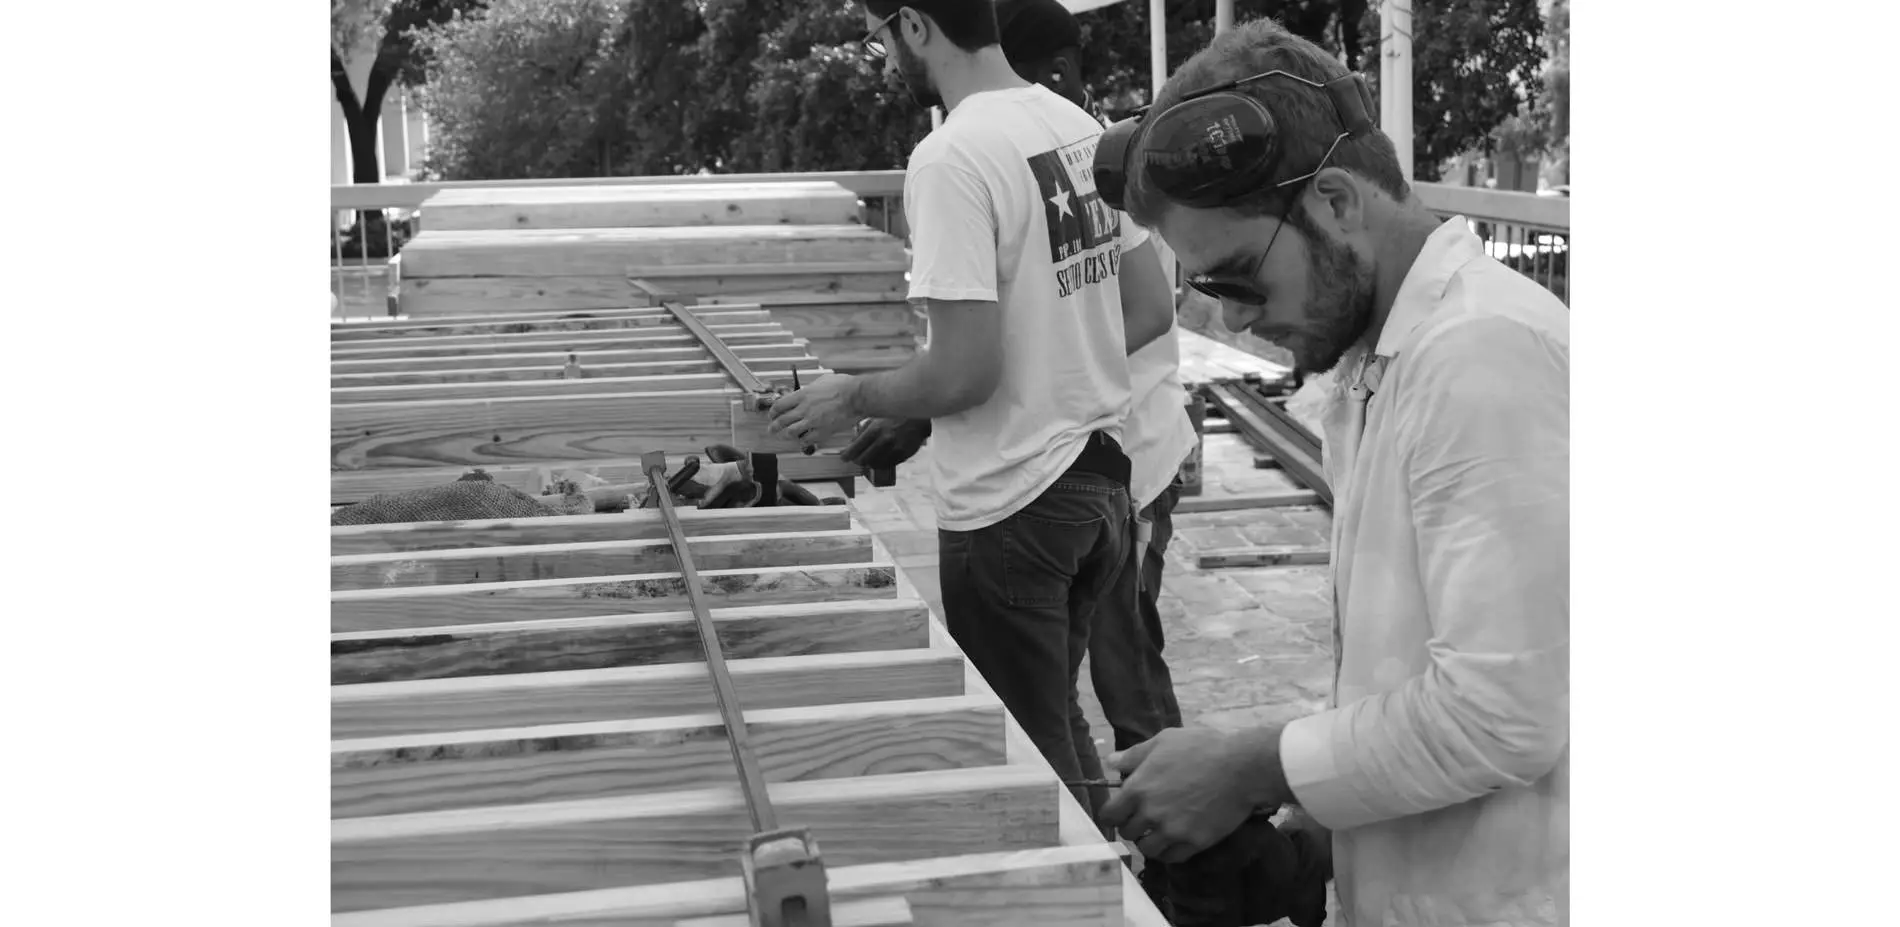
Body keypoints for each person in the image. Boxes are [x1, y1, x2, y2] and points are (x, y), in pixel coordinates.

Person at [1090, 18, 1571, 926]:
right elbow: (1408, 672)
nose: (1234, 321)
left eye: (1238, 278)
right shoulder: (1388, 354)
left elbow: (1504, 714)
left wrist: (1250, 766)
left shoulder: (1481, 354)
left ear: (1338, 202)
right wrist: (1317, 835)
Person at [765, 0, 1179, 820]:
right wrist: (1055, 358)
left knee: (1024, 768)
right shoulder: (1076, 128)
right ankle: (1119, 864)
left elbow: (963, 373)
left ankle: (1090, 881)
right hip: (1098, 484)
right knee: (1055, 726)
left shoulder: (951, 157)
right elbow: (1150, 307)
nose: (887, 62)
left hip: (1010, 502)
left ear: (916, 25)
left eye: (882, 40)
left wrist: (851, 395)